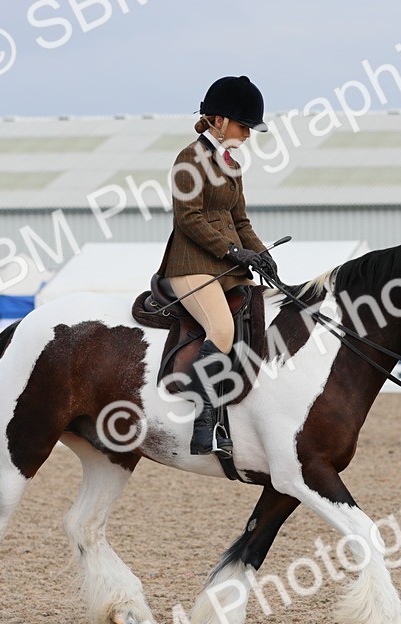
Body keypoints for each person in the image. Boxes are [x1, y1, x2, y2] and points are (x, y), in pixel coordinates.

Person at [157, 76, 274, 456]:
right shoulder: (189, 159)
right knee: (221, 327)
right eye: (244, 126)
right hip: (190, 264)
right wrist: (234, 252)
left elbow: (239, 221)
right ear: (218, 120)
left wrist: (260, 253)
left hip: (226, 266)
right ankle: (204, 421)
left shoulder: (231, 164)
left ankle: (232, 415)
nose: (248, 135)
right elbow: (188, 218)